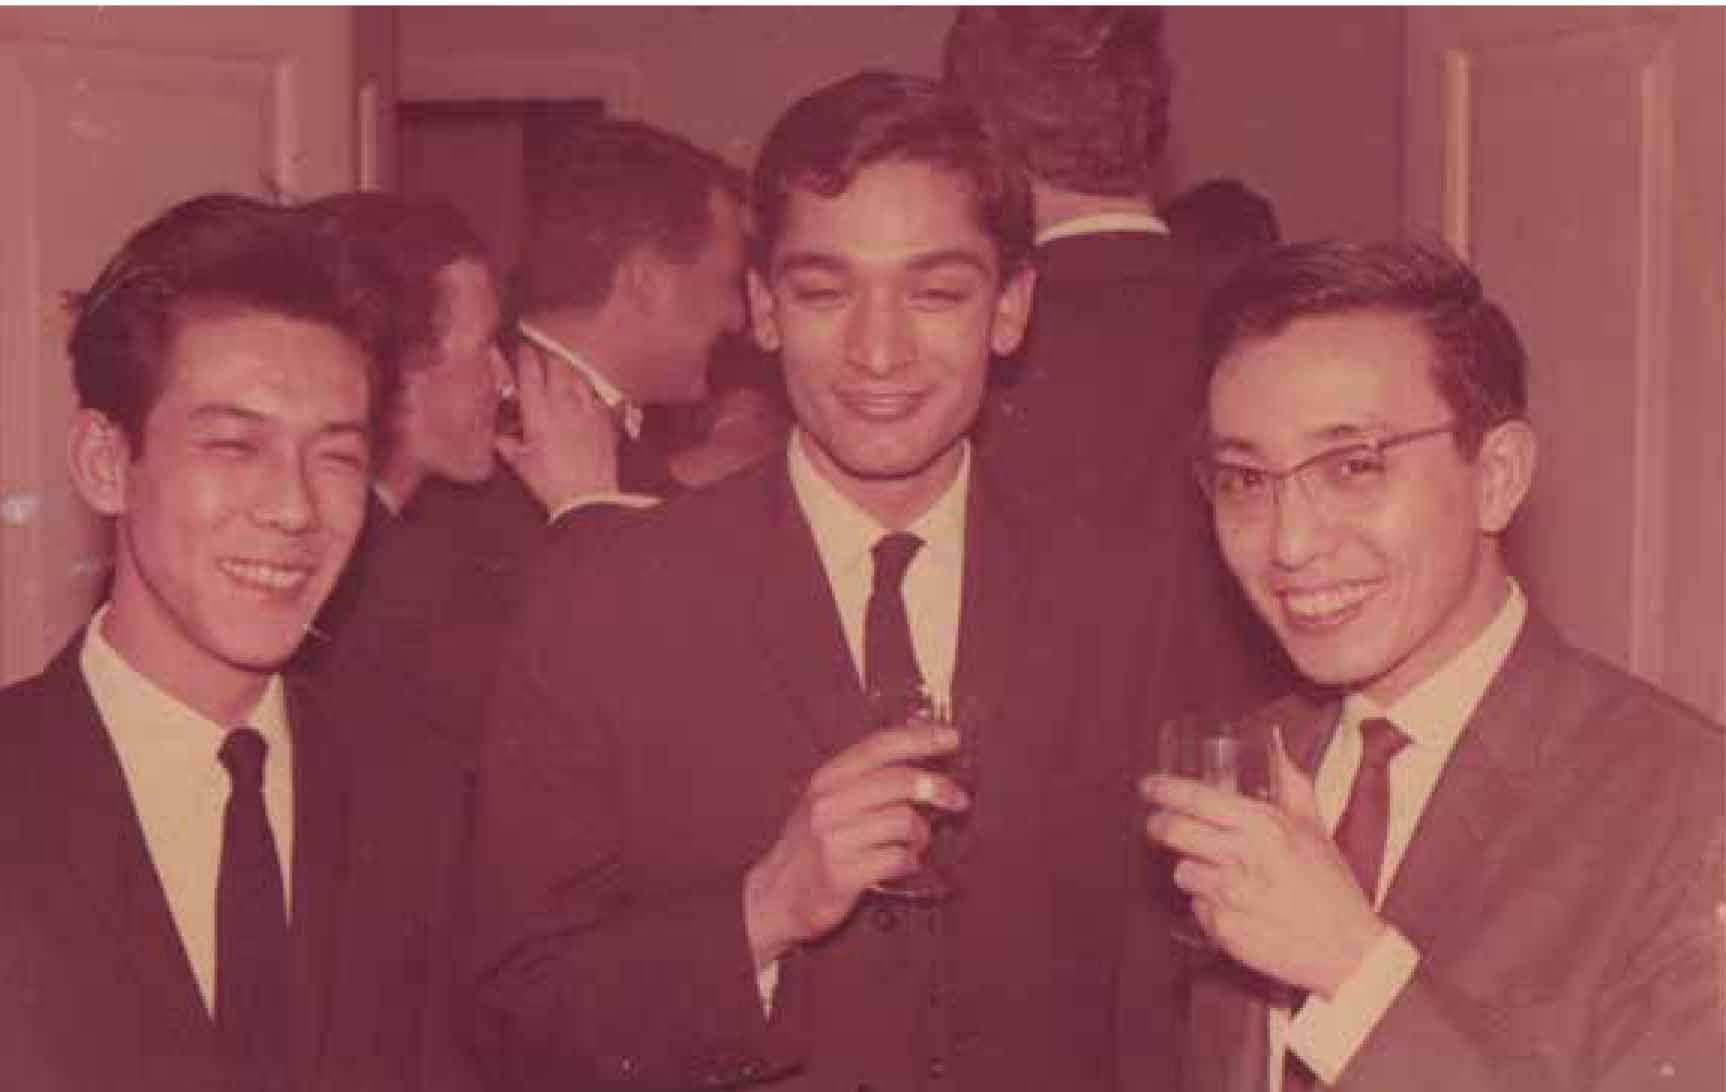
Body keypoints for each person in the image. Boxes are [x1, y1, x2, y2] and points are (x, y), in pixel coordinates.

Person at [468, 72, 1178, 1091]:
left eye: (933, 292)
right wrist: (761, 912)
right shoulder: (606, 599)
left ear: (1011, 308)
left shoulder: (1123, 591)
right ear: (761, 307)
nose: (877, 349)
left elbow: (1168, 1003)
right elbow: (509, 1014)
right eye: (824, 290)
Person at [1142, 240, 1725, 1092]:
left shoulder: (1687, 810)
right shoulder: (1254, 761)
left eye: (1353, 467)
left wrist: (1355, 974)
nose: (1291, 544)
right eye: (1244, 480)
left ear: (1496, 477)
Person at [0, 195, 479, 1090]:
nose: (296, 508)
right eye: (233, 446)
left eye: (334, 456)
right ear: (107, 462)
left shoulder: (422, 793)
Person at [945, 6, 1290, 716]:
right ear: (1153, 120)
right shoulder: (1279, 335)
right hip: (1248, 798)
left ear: (979, 142)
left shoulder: (960, 359)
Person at [300, 192, 617, 748]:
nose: (504, 379)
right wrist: (589, 509)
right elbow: (580, 729)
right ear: (400, 372)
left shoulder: (398, 543)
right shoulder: (389, 580)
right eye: (483, 348)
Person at [510, 117, 749, 503]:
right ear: (648, 281)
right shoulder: (499, 440)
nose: (737, 317)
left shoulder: (604, 426)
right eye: (728, 282)